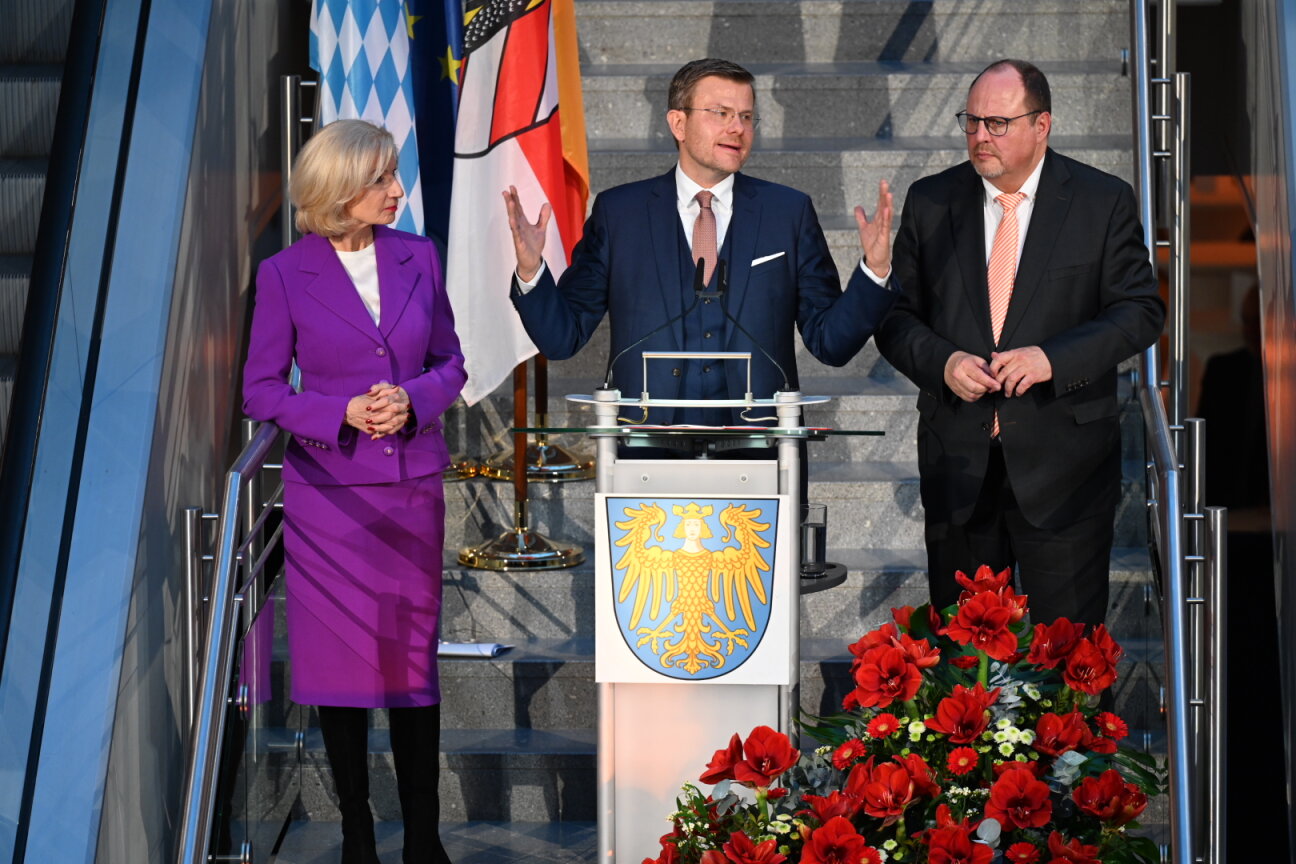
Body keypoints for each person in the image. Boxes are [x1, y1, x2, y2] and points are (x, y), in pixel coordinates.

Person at [242, 119, 466, 864]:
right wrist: (333, 411)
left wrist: (414, 400)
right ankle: (358, 836)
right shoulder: (284, 275)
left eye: (395, 175)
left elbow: (451, 364)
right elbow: (261, 390)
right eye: (381, 180)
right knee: (338, 664)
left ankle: (424, 839)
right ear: (340, 190)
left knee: (410, 662)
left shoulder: (419, 257)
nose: (398, 190)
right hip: (327, 501)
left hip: (408, 493)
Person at [875, 59, 1165, 626]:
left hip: (1066, 469)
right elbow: (893, 317)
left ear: (1042, 125)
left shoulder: (1100, 201)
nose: (980, 136)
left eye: (998, 123)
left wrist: (1051, 359)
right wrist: (944, 362)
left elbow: (1141, 311)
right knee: (962, 668)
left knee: (1070, 669)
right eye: (972, 121)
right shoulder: (932, 201)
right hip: (959, 463)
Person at [502, 57, 897, 428]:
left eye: (746, 117)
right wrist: (532, 270)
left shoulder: (787, 213)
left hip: (759, 449)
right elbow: (561, 337)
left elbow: (831, 344)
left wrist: (874, 272)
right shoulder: (619, 213)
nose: (737, 128)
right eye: (721, 114)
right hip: (647, 447)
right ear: (678, 123)